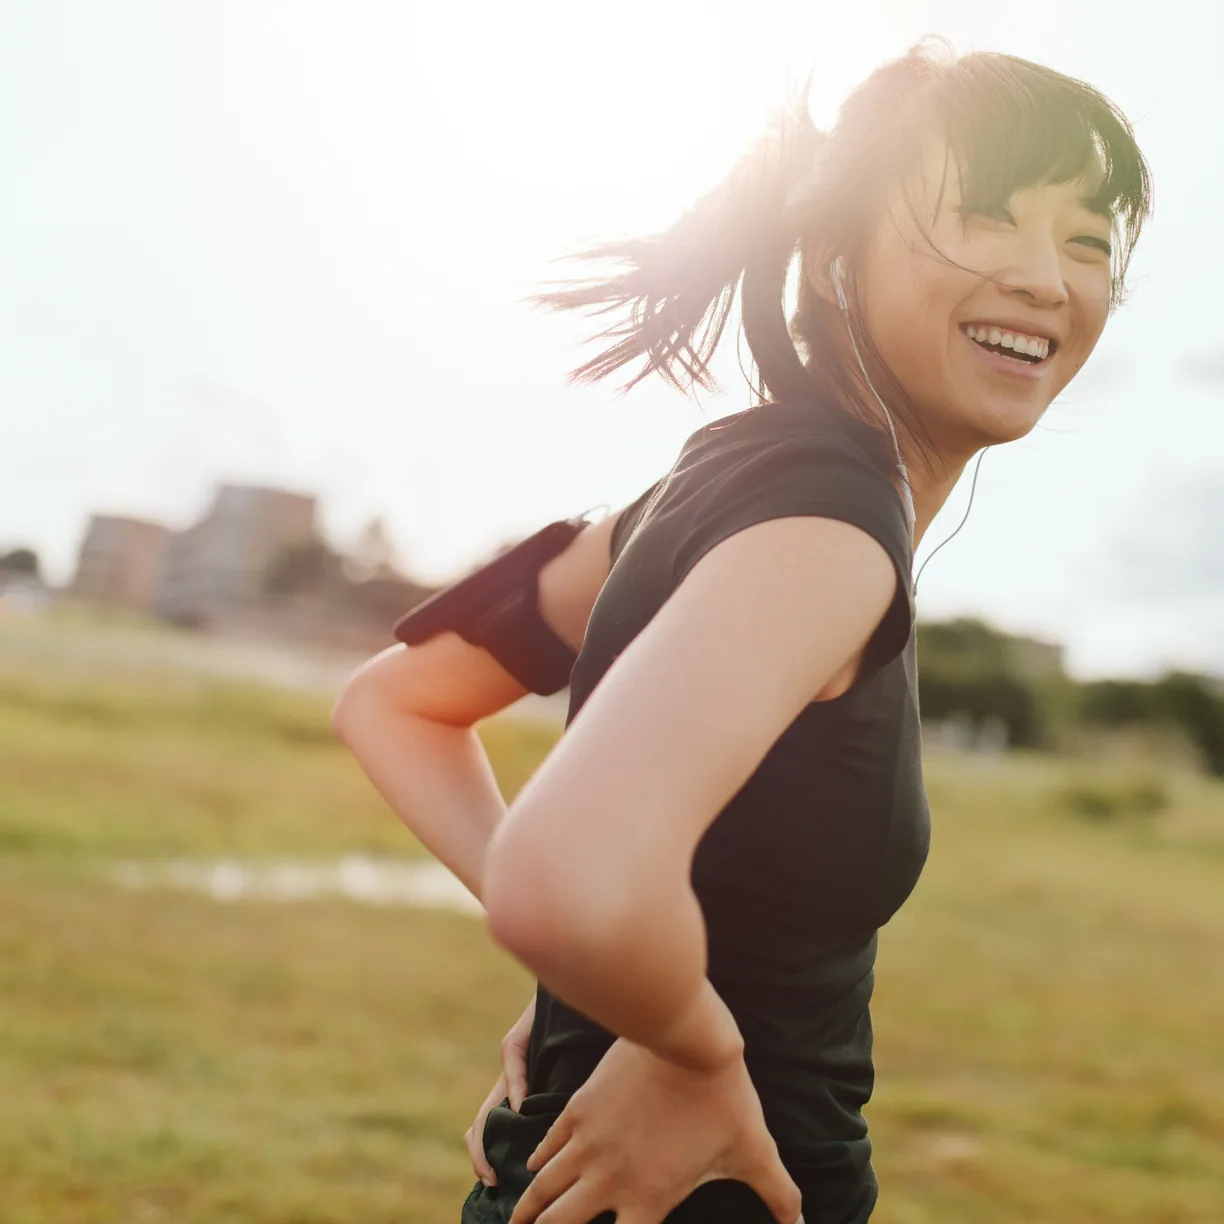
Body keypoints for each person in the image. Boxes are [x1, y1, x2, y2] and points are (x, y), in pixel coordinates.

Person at [332, 38, 1150, 1224]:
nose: (1045, 278)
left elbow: (391, 701)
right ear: (833, 261)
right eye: (982, 218)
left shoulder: (702, 487)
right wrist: (689, 1048)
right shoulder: (827, 535)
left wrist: (616, 981)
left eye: (1087, 240)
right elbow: (564, 874)